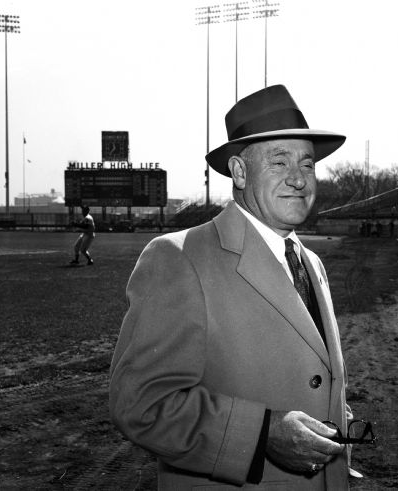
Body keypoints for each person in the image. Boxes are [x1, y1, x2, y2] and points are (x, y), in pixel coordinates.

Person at [109, 85, 354, 490]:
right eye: (279, 162)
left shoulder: (312, 263)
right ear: (239, 172)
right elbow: (140, 403)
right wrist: (261, 436)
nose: (298, 179)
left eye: (307, 165)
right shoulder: (178, 257)